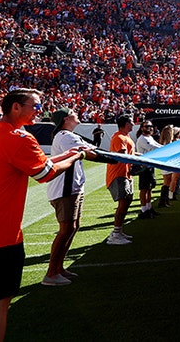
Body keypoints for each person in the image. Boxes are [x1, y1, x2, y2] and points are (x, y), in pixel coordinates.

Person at [0, 88, 87, 342]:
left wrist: (66, 156)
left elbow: (29, 162)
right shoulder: (18, 137)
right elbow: (45, 174)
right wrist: (75, 156)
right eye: (34, 106)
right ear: (16, 107)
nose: (39, 111)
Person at [43, 108, 111, 286]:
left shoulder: (67, 134)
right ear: (66, 118)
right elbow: (93, 154)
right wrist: (118, 159)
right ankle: (51, 273)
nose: (77, 113)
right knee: (66, 230)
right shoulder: (65, 136)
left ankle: (58, 268)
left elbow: (93, 149)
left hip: (72, 189)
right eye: (73, 112)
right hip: (65, 190)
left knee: (72, 228)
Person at [105, 116, 136, 245]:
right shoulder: (119, 137)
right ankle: (115, 234)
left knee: (127, 201)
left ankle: (119, 231)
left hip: (126, 174)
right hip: (119, 174)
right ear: (125, 124)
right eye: (131, 122)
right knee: (123, 203)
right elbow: (122, 155)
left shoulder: (126, 137)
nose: (133, 124)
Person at [133, 120, 161, 220]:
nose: (149, 128)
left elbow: (157, 145)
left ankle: (149, 208)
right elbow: (153, 148)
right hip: (143, 167)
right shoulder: (142, 139)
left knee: (150, 188)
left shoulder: (149, 137)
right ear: (142, 128)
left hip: (149, 166)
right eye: (147, 126)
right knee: (144, 189)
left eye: (151, 126)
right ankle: (144, 210)